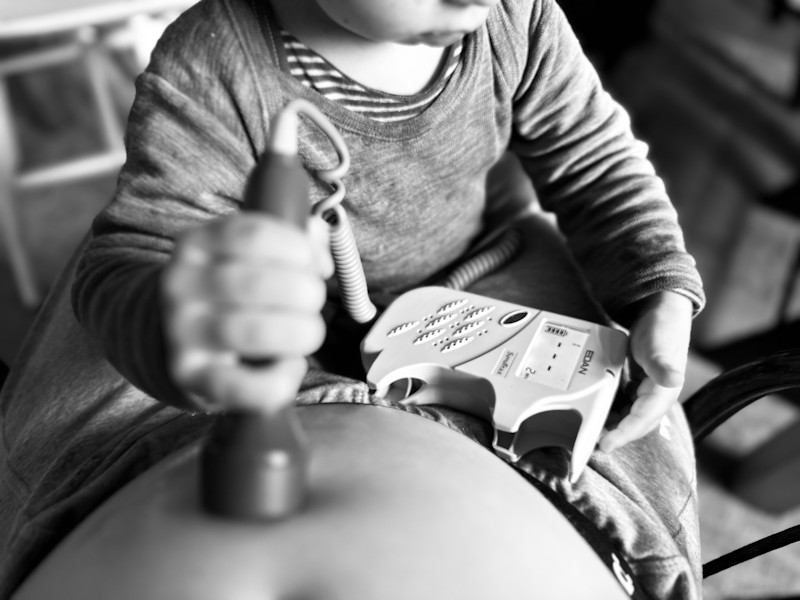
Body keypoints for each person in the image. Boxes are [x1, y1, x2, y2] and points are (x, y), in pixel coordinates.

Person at [0, 0, 705, 597]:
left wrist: (659, 286)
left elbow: (594, 158)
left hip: (476, 265)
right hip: (262, 297)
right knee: (86, 387)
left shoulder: (517, 18)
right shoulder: (212, 61)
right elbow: (139, 248)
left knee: (617, 408)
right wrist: (179, 333)